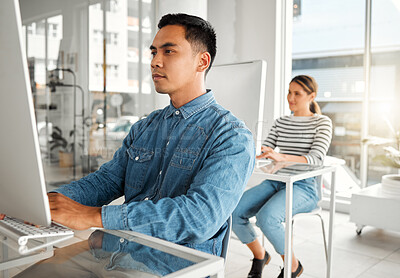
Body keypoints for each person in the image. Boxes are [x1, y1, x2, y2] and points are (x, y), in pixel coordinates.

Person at [1, 13, 255, 257]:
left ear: (202, 61)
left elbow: (199, 218)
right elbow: (106, 182)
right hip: (117, 251)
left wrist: (93, 216)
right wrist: (44, 204)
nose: (155, 61)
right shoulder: (146, 126)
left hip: (173, 264)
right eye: (154, 52)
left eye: (169, 51)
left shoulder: (231, 136)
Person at [232, 75, 332, 278]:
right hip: (276, 182)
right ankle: (260, 256)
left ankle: (293, 267)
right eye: (289, 92)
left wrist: (281, 156)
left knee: (267, 218)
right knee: (234, 211)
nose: (290, 98)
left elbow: (316, 158)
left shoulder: (322, 122)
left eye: (297, 93)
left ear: (311, 96)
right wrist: (250, 150)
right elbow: (267, 148)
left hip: (304, 187)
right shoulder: (281, 122)